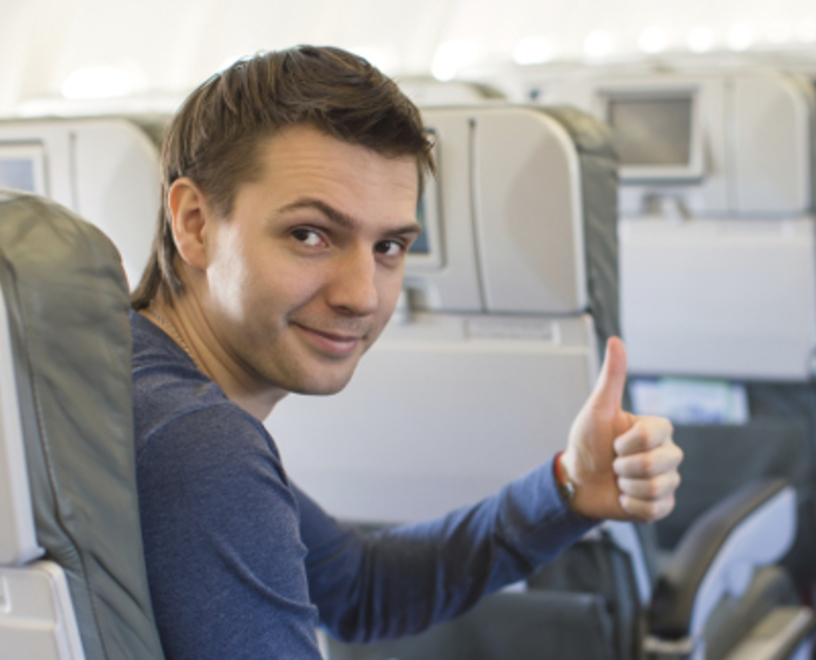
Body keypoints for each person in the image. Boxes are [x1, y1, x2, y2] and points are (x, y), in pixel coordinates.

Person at [128, 45, 682, 658]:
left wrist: (569, 488)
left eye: (389, 247)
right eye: (309, 235)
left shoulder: (126, 371)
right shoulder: (199, 444)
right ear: (195, 223)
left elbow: (361, 588)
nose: (362, 296)